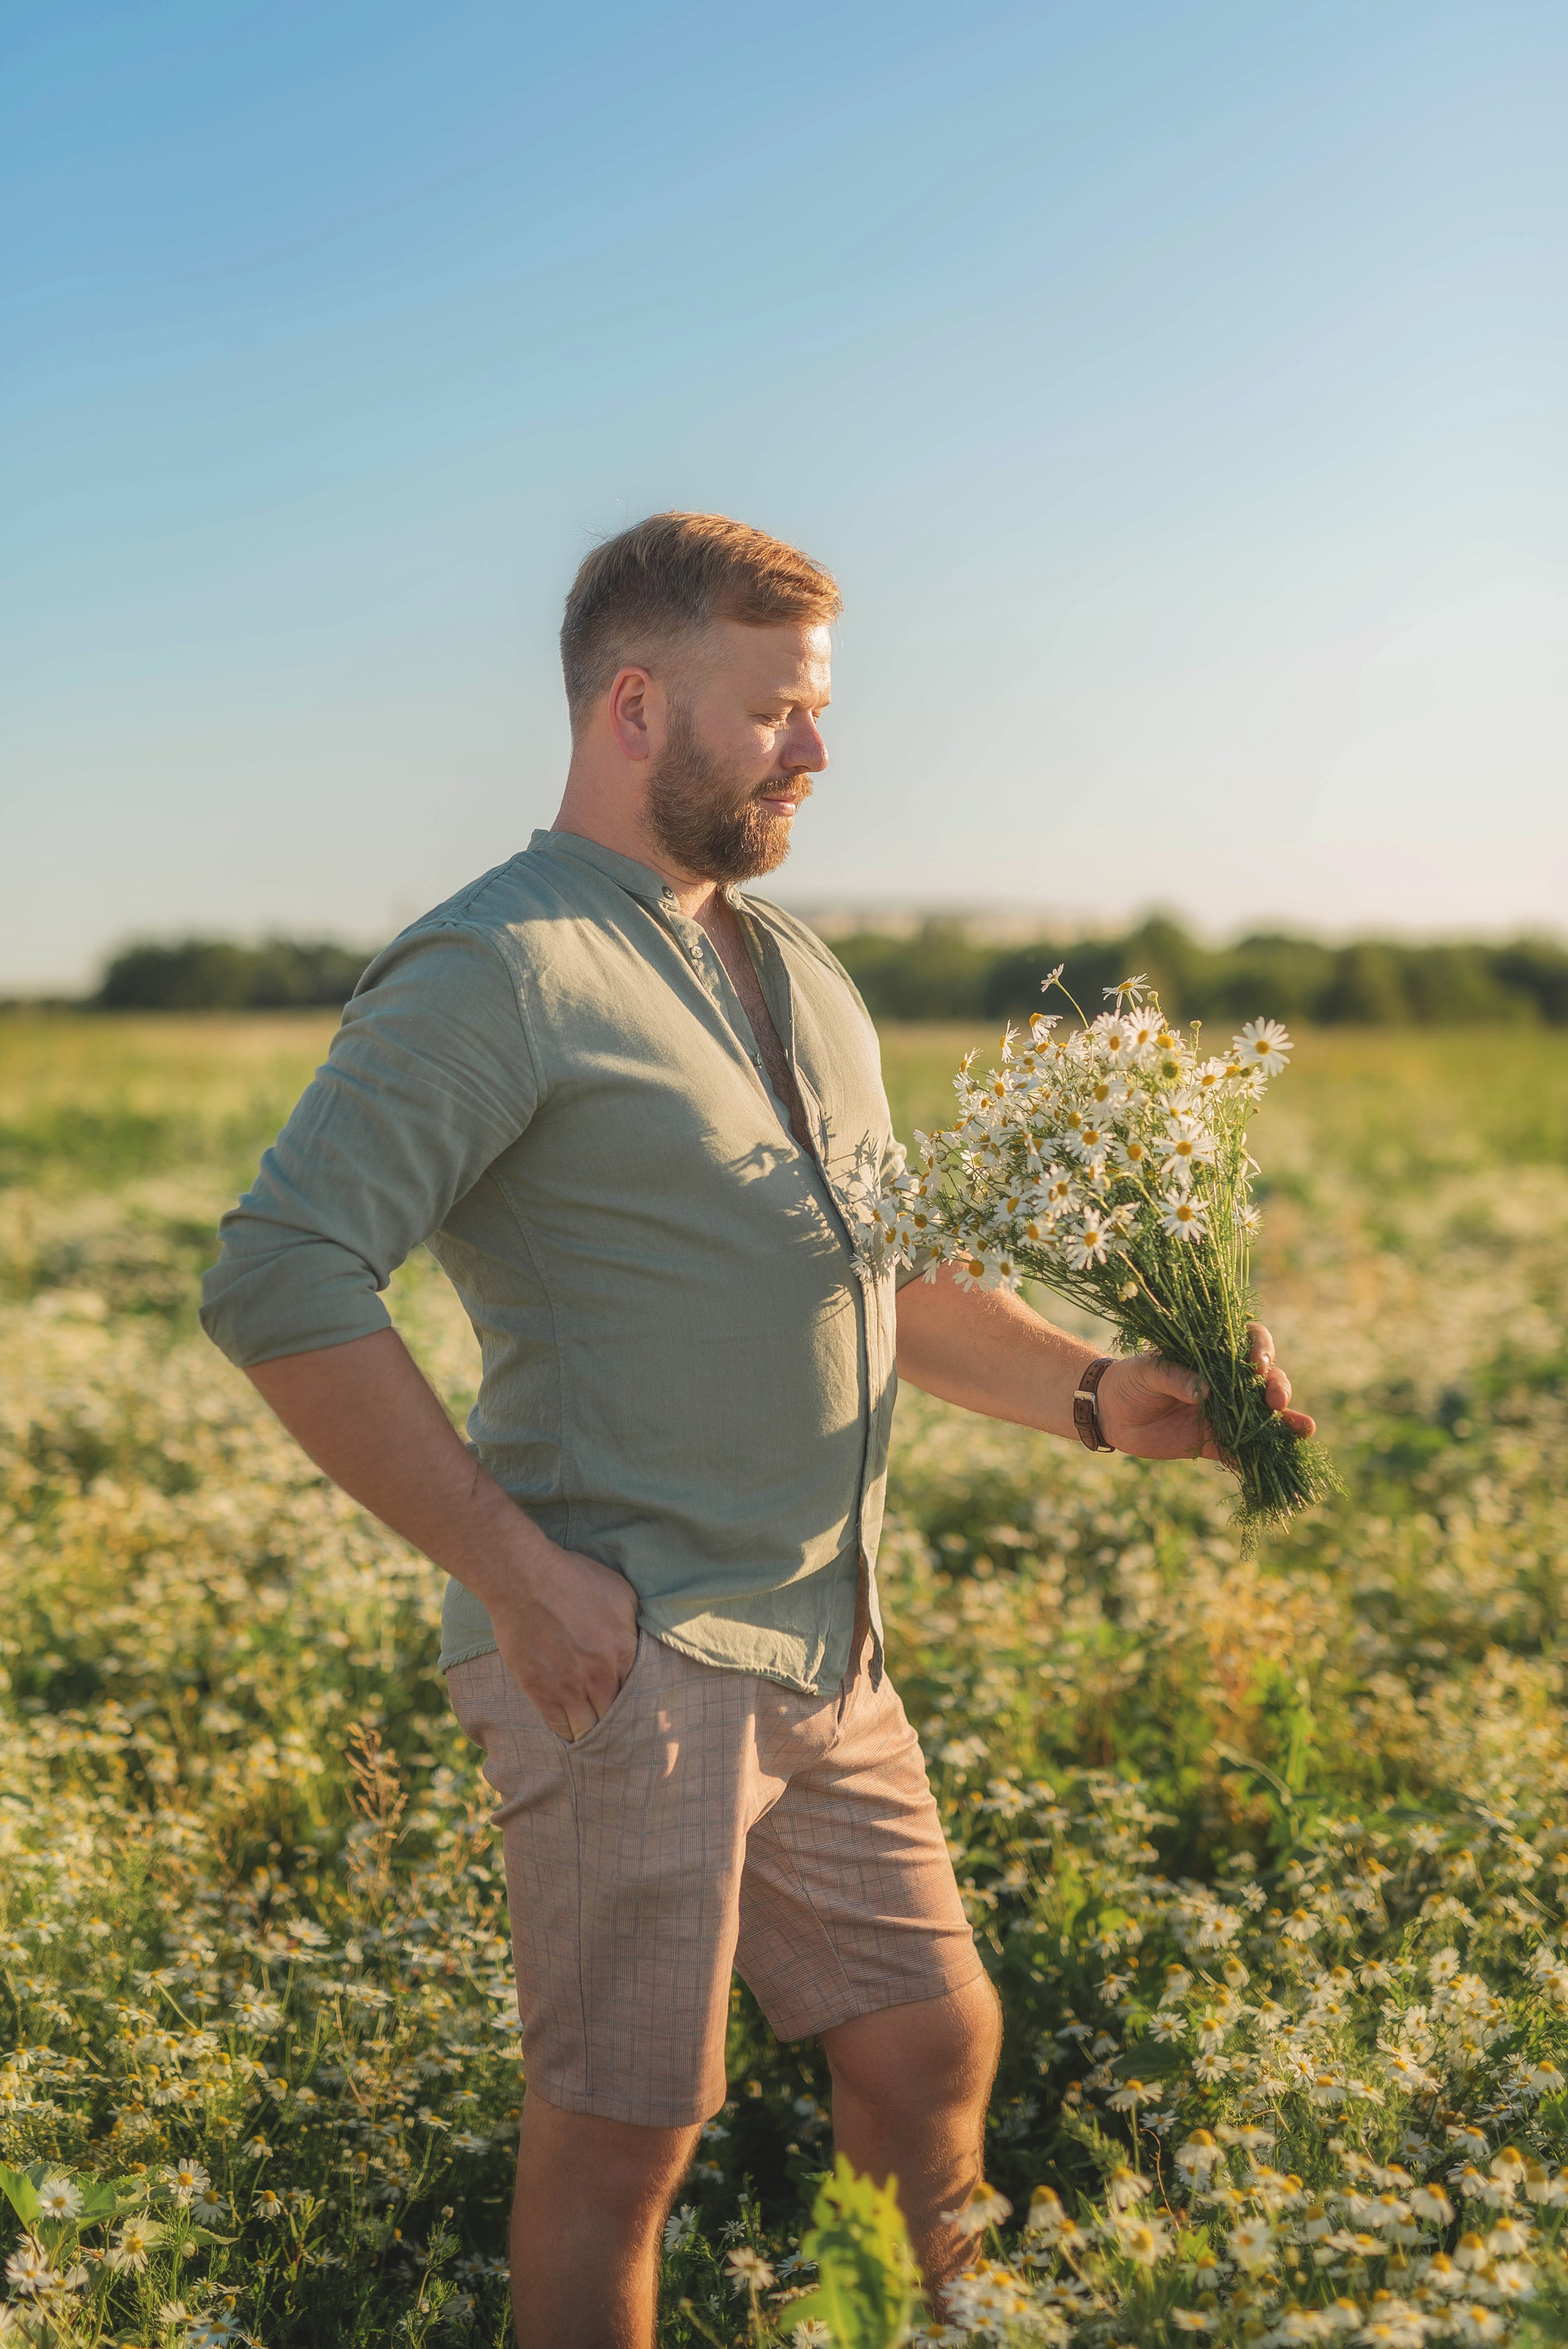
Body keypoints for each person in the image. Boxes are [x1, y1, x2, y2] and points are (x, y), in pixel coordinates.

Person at [201, 511, 1313, 2348]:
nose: (821, 748)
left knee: (932, 2041)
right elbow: (280, 1278)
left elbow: (888, 1275)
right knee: (628, 2136)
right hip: (624, 1651)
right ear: (638, 706)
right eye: (781, 710)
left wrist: (1105, 1400)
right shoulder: (498, 966)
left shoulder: (797, 969)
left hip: (826, 1637)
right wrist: (524, 1577)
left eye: (821, 708)